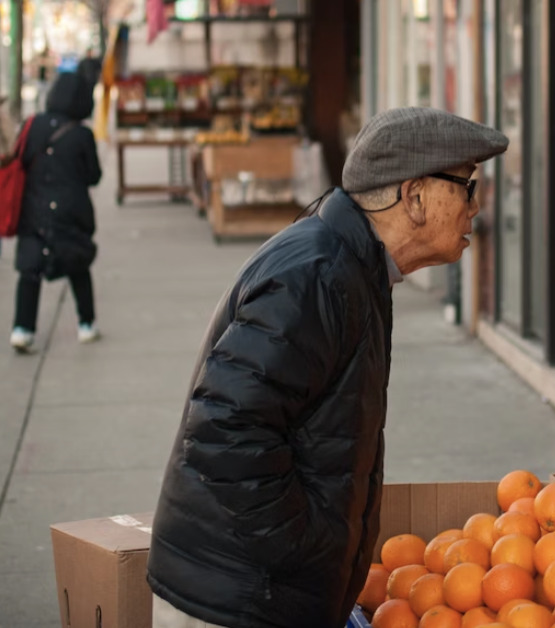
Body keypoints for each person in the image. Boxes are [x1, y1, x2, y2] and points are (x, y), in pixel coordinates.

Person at [146, 107, 509, 628]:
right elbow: (225, 433)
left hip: (260, 592)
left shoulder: (351, 266)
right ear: (413, 196)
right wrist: (307, 549)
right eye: (467, 187)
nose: (476, 207)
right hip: (239, 603)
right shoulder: (317, 275)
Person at [9, 72, 102, 353]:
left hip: (34, 209)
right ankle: (86, 323)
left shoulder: (31, 126)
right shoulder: (82, 134)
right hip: (71, 211)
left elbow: (20, 161)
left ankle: (22, 329)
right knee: (77, 266)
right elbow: (93, 175)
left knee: (30, 270)